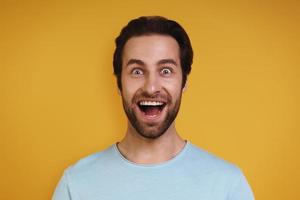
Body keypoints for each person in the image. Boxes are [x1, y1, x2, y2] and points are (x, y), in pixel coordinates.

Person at [52, 16, 255, 200]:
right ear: (119, 84)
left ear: (184, 82)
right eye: (137, 71)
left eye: (166, 71)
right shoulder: (76, 184)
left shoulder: (228, 185)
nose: (151, 88)